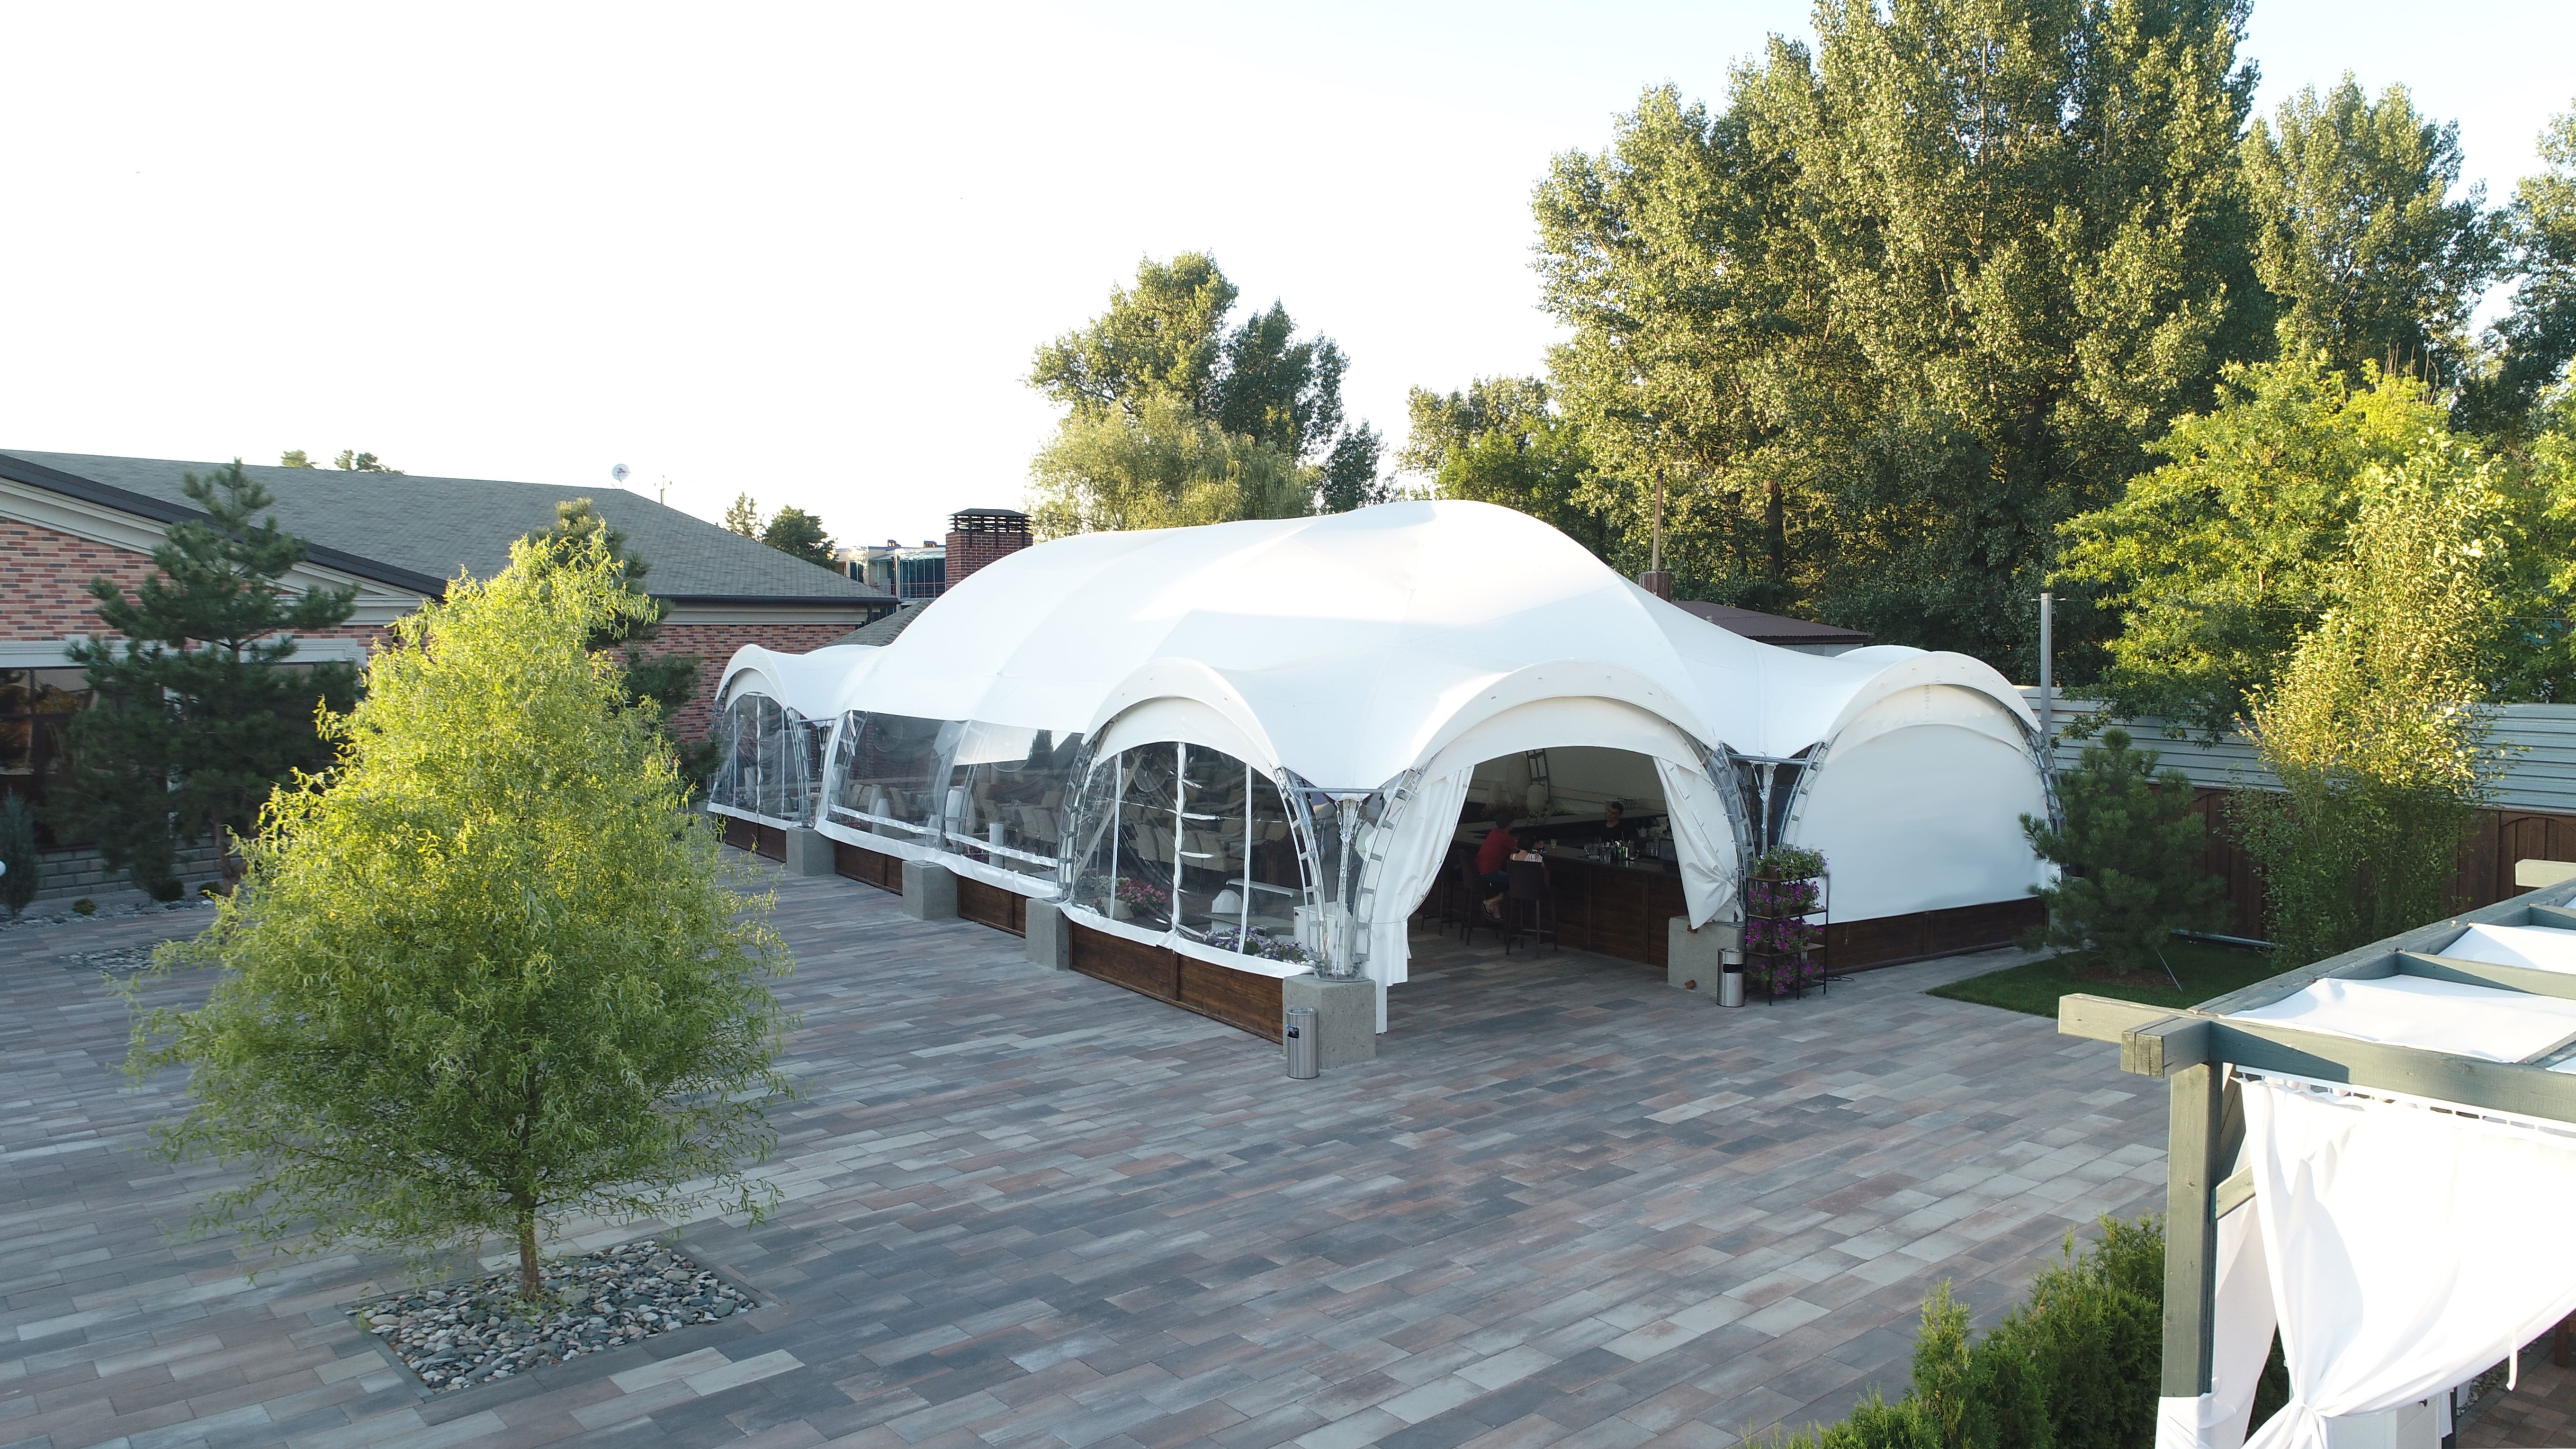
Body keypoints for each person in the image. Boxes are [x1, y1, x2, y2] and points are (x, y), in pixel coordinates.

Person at [1475, 810, 1518, 921]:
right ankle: (1491, 902)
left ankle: (1496, 911)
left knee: (1505, 882)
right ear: (1509, 825)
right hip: (1490, 872)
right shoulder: (1505, 837)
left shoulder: (1494, 832)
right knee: (1516, 884)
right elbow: (1520, 848)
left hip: (1479, 870)